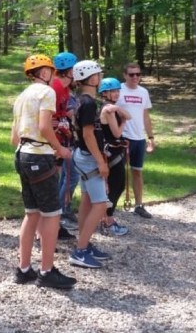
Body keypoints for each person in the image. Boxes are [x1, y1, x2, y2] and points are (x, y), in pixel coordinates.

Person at [11, 54, 76, 290]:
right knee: (51, 214)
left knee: (32, 213)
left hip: (22, 154)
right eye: (50, 70)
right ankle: (47, 271)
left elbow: (13, 137)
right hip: (39, 155)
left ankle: (24, 269)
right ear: (46, 72)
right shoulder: (46, 92)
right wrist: (59, 149)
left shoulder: (21, 96)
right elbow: (43, 126)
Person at [66, 60, 113, 268]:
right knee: (100, 203)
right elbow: (88, 133)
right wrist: (101, 160)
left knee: (87, 200)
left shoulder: (81, 100)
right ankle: (81, 250)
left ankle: (83, 242)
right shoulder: (88, 103)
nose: (100, 78)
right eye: (98, 75)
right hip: (88, 156)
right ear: (92, 78)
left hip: (82, 154)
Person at [116, 62, 156, 219]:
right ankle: (107, 208)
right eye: (131, 74)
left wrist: (151, 137)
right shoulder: (118, 89)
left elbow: (145, 116)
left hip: (139, 138)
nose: (135, 77)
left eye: (138, 74)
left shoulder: (143, 92)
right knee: (117, 173)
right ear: (125, 75)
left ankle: (139, 205)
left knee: (137, 172)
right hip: (122, 137)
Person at [51, 52, 80, 238]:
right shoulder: (54, 88)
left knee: (59, 179)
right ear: (69, 71)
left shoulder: (65, 90)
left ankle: (56, 219)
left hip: (62, 138)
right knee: (53, 180)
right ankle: (53, 222)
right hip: (53, 141)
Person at [98, 77, 131, 236]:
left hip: (113, 151)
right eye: (113, 91)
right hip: (111, 153)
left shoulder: (110, 107)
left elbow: (128, 115)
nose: (116, 93)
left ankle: (105, 218)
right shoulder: (107, 110)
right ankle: (107, 220)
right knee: (116, 186)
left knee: (116, 186)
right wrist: (123, 121)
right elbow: (117, 132)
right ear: (105, 93)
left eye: (118, 91)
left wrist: (120, 112)